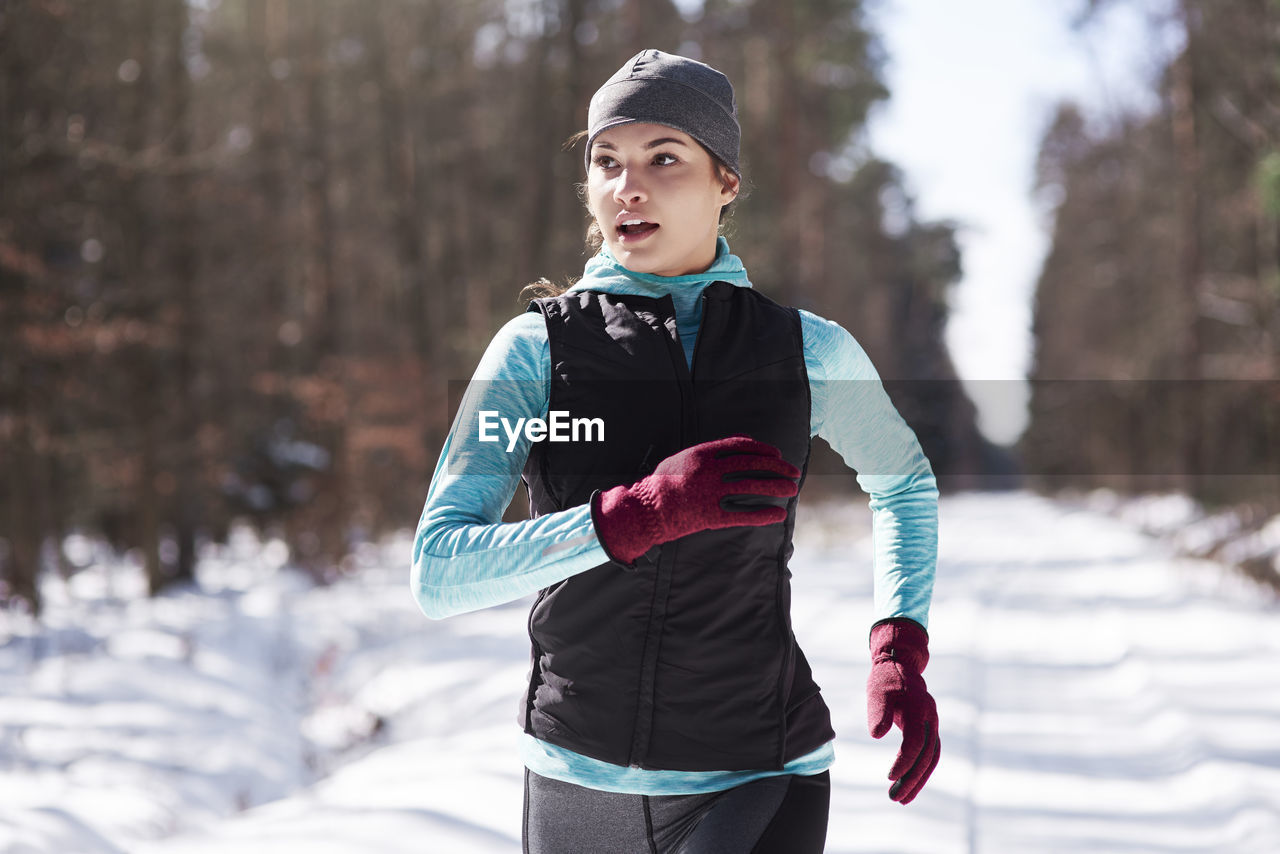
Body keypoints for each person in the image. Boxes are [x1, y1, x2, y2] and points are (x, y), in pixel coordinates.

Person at [412, 48, 940, 854]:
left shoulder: (806, 351)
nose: (630, 185)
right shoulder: (532, 354)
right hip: (577, 777)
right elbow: (440, 568)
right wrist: (630, 518)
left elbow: (902, 482)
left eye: (666, 158)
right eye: (607, 161)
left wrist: (898, 640)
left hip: (760, 769)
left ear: (725, 181)